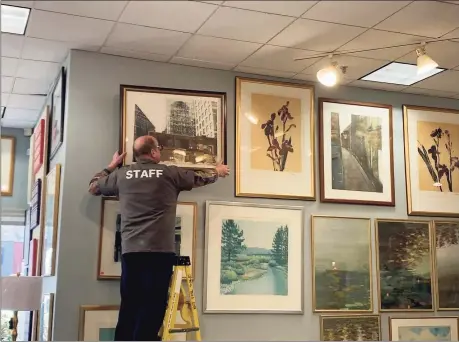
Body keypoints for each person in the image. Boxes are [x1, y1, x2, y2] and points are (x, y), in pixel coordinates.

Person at [88, 135, 230, 341]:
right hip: (159, 252)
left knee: (130, 306)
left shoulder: (122, 175)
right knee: (154, 306)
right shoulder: (169, 173)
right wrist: (218, 172)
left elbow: (93, 186)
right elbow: (200, 177)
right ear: (154, 152)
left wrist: (111, 165)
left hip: (132, 252)